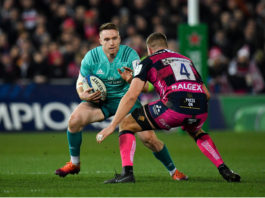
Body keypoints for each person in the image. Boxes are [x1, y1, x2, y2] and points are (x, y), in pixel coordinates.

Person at [96, 32, 241, 183]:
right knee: (195, 130)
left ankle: (127, 173)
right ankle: (223, 168)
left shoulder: (148, 61)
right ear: (165, 46)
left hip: (174, 107)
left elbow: (132, 95)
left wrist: (112, 125)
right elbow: (207, 94)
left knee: (126, 124)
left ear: (150, 49)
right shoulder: (186, 60)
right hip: (200, 107)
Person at [55, 23, 188, 182]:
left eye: (114, 38)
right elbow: (80, 82)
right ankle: (74, 163)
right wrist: (83, 95)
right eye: (107, 39)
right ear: (100, 40)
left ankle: (174, 171)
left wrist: (131, 79)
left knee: (148, 139)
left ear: (119, 38)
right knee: (74, 120)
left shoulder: (130, 55)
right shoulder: (91, 57)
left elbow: (145, 88)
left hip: (127, 102)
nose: (111, 43)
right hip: (101, 102)